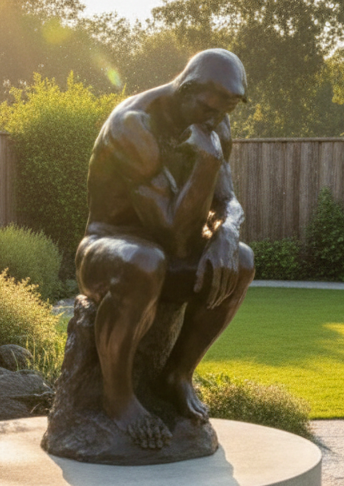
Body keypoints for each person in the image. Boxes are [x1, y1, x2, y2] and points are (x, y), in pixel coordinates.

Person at [75, 48, 255, 449]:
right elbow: (173, 233)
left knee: (241, 260)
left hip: (163, 254)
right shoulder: (133, 127)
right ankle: (118, 398)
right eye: (211, 108)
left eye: (227, 110)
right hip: (107, 249)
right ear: (188, 90)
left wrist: (226, 234)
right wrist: (206, 163)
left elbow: (229, 202)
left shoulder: (213, 124)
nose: (219, 120)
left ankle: (176, 375)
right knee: (145, 260)